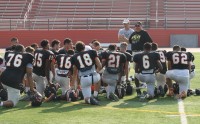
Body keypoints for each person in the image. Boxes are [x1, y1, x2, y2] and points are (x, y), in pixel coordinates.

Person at [129, 21, 153, 96]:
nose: (137, 27)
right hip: (134, 52)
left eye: (138, 26)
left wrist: (146, 51)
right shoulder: (133, 33)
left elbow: (150, 42)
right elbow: (130, 41)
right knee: (135, 68)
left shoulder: (144, 33)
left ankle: (143, 83)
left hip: (141, 52)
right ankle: (139, 85)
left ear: (141, 26)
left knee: (141, 68)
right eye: (136, 26)